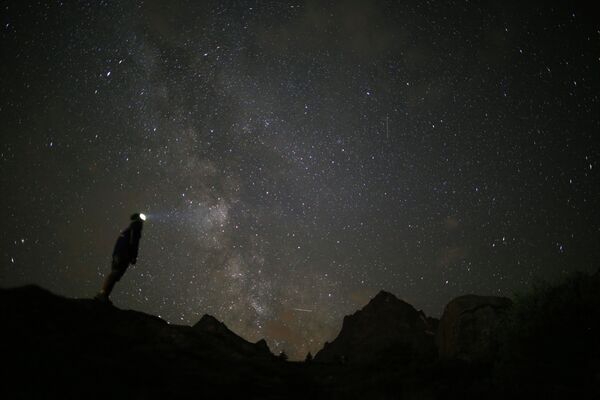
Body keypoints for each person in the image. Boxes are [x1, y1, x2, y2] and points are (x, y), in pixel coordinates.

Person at [95, 212, 145, 304]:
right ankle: (102, 295)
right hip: (124, 254)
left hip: (119, 253)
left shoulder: (127, 230)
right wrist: (133, 256)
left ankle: (104, 295)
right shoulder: (135, 228)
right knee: (115, 273)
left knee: (115, 274)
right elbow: (134, 242)